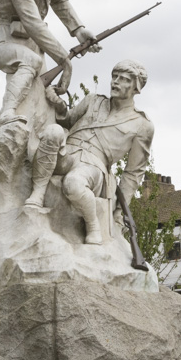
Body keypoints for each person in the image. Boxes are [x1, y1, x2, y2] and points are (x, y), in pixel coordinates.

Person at [25, 60, 153, 245]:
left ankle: (93, 226)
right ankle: (37, 193)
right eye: (114, 77)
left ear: (136, 87)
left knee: (74, 183)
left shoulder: (142, 125)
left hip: (94, 166)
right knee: (53, 132)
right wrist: (59, 105)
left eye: (123, 79)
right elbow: (68, 121)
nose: (115, 82)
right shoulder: (93, 101)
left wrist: (119, 214)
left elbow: (133, 173)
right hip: (68, 152)